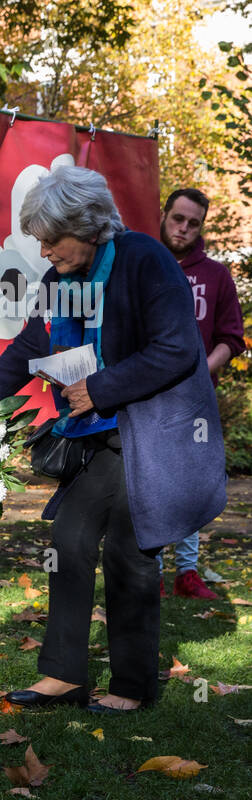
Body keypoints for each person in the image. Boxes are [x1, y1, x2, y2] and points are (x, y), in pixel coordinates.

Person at [0, 166, 226, 713]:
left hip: (154, 430)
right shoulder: (60, 280)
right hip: (99, 432)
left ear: (86, 228)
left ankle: (131, 687)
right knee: (70, 540)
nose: (42, 253)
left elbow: (178, 349)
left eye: (49, 240)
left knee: (130, 553)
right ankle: (63, 675)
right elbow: (26, 350)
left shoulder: (144, 260)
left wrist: (101, 386)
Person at [155, 188, 247, 599]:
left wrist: (201, 371)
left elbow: (232, 338)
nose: (184, 229)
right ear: (165, 214)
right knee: (150, 483)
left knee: (191, 485)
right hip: (147, 398)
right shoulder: (143, 265)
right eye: (178, 218)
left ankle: (186, 573)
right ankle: (150, 571)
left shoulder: (216, 275)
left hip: (195, 400)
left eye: (193, 223)